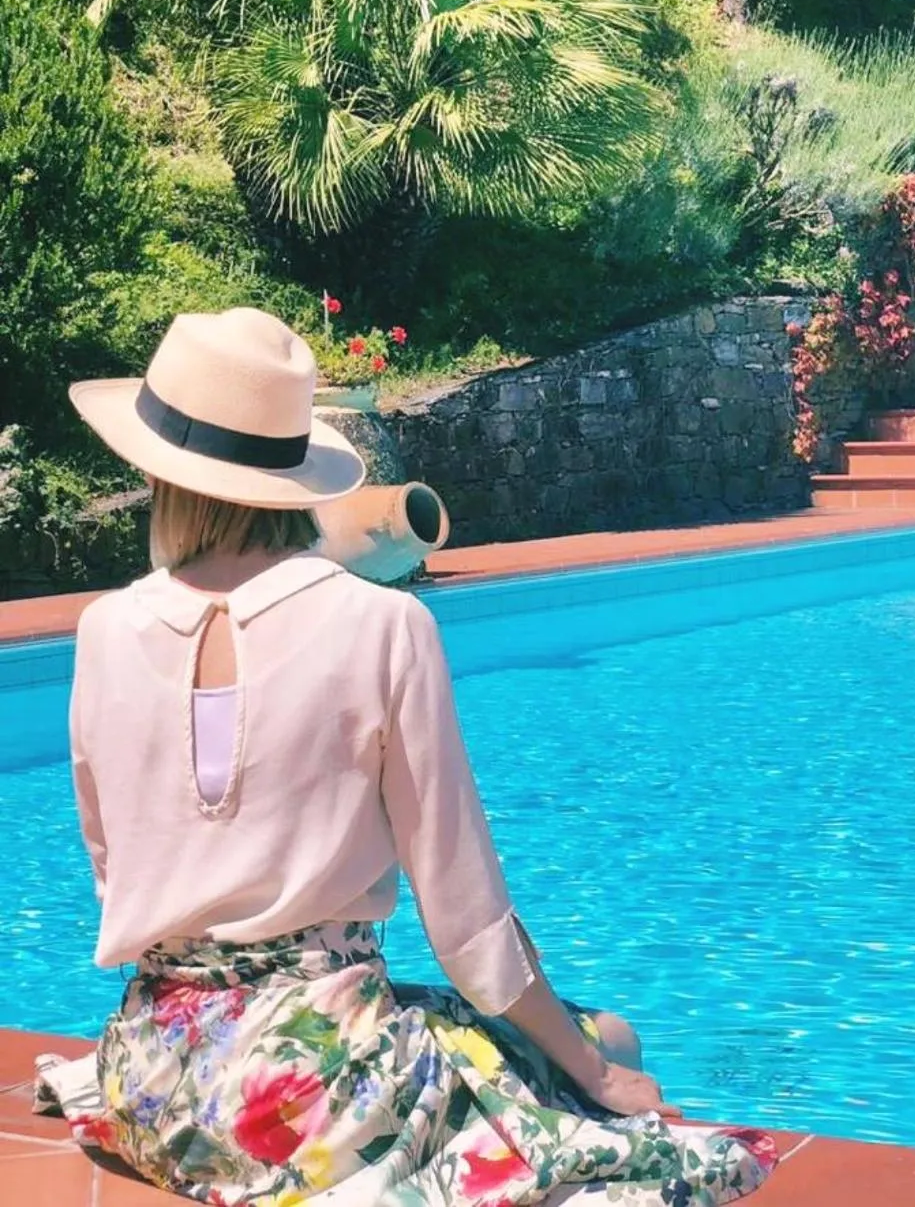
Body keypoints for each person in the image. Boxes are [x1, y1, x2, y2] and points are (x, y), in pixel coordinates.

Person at [35, 307, 777, 1205]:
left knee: (540, 1046)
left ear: (158, 470)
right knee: (611, 1042)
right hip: (310, 1094)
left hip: (152, 1076)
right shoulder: (383, 625)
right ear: (292, 475)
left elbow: (113, 867)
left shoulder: (103, 627)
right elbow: (465, 917)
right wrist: (596, 1069)